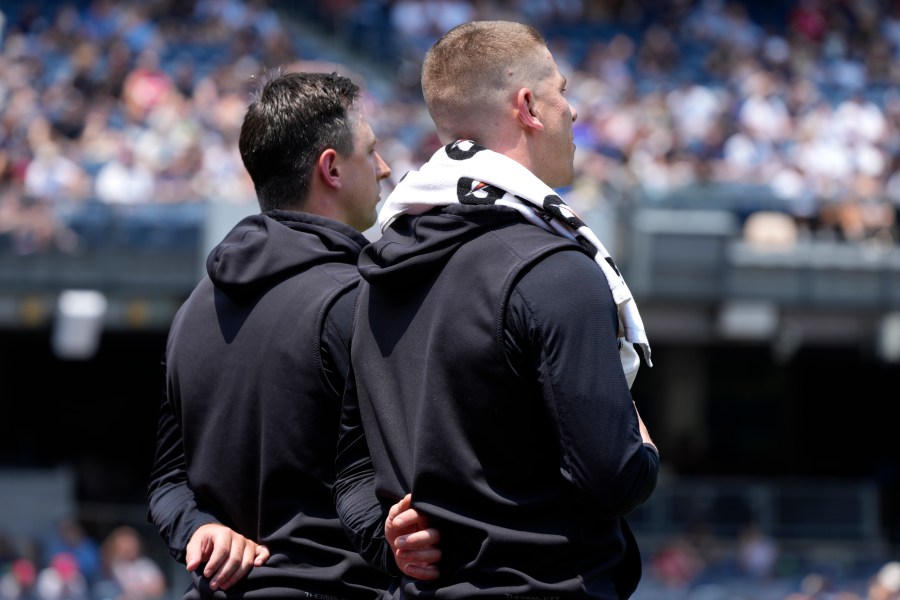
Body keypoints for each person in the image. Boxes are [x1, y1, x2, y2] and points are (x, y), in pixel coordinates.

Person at [334, 20, 659, 599]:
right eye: (562, 91)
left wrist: (388, 539)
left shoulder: (377, 272)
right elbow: (612, 477)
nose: (574, 112)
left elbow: (352, 477)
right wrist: (642, 447)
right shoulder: (556, 271)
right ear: (529, 106)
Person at [148, 69, 439, 600]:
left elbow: (168, 484)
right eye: (370, 151)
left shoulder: (192, 308)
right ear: (330, 167)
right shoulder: (362, 301)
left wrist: (198, 530)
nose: (384, 167)